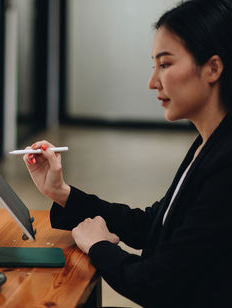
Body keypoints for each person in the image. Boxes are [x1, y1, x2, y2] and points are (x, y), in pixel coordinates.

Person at [23, 0, 232, 306]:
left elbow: (156, 284)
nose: (152, 82)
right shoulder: (210, 142)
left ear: (213, 68)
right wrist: (61, 192)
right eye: (154, 65)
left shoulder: (226, 163)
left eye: (165, 64)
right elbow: (154, 226)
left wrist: (99, 247)